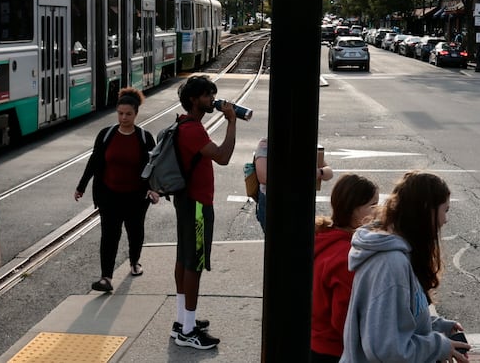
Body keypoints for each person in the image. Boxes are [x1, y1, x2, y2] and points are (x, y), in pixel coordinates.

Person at [342, 171, 470, 363]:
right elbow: (384, 349)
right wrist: (437, 346)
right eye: (446, 210)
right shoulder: (390, 264)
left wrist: (433, 326)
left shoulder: (399, 256)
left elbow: (395, 321)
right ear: (427, 210)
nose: (446, 220)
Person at [171, 75, 239, 350]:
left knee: (183, 259)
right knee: (194, 264)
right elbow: (223, 157)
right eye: (208, 95)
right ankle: (187, 330)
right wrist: (232, 122)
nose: (213, 99)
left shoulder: (184, 124)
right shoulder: (192, 130)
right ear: (193, 99)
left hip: (187, 201)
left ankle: (182, 320)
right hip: (197, 205)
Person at [74, 88, 160, 293]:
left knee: (135, 232)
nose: (123, 118)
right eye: (120, 113)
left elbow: (152, 167)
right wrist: (81, 186)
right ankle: (106, 277)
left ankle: (134, 262)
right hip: (109, 196)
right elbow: (94, 162)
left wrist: (154, 190)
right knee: (109, 236)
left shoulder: (144, 137)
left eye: (128, 114)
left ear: (136, 114)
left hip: (136, 197)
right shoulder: (106, 135)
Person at [311, 174, 381, 363]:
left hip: (316, 340)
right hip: (336, 350)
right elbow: (344, 318)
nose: (379, 212)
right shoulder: (347, 256)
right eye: (373, 205)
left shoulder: (324, 237)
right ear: (353, 209)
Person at [254, 137, 334, 232]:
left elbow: (329, 173)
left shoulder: (305, 143)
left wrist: (319, 172)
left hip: (299, 202)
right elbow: (263, 177)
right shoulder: (266, 143)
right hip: (273, 202)